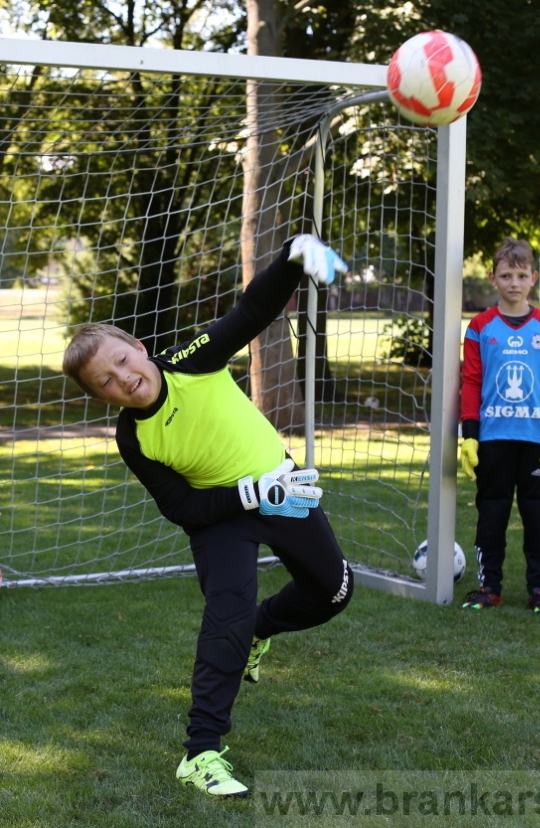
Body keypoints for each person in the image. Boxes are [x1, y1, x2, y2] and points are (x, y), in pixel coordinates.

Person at [61, 235, 353, 800]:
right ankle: (201, 753)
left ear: (140, 349)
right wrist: (248, 494)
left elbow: (250, 311)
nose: (123, 379)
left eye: (122, 362)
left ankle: (261, 631)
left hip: (283, 485)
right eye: (106, 381)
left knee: (333, 592)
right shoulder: (135, 439)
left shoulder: (190, 360)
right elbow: (182, 508)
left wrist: (293, 255)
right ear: (101, 396)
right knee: (227, 614)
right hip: (226, 515)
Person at [458, 238, 540, 614]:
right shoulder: (479, 326)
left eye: (521, 275)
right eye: (506, 275)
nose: (514, 283)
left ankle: (538, 589)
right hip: (493, 438)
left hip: (538, 440)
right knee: (492, 513)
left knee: (537, 514)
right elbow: (471, 381)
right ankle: (489, 587)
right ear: (492, 278)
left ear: (533, 277)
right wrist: (470, 436)